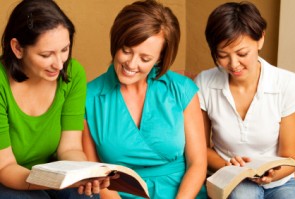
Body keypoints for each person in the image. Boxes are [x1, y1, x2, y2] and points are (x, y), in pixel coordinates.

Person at [83, 0, 208, 198]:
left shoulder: (181, 89)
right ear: (116, 42)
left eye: (145, 58)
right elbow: (95, 177)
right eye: (126, 50)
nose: (131, 64)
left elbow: (198, 163)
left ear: (159, 58)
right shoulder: (88, 97)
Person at [0, 0, 110, 198]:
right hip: (7, 175)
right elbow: (5, 167)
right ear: (17, 48)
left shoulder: (73, 73)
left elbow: (70, 148)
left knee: (85, 195)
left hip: (50, 174)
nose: (59, 64)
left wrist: (85, 173)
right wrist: (51, 182)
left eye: (64, 50)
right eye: (46, 55)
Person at [194, 1, 295, 199]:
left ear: (260, 39)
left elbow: (291, 157)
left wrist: (272, 174)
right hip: (229, 177)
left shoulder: (288, 83)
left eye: (242, 54)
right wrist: (229, 166)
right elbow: (200, 148)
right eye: (222, 55)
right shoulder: (205, 83)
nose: (233, 65)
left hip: (279, 180)